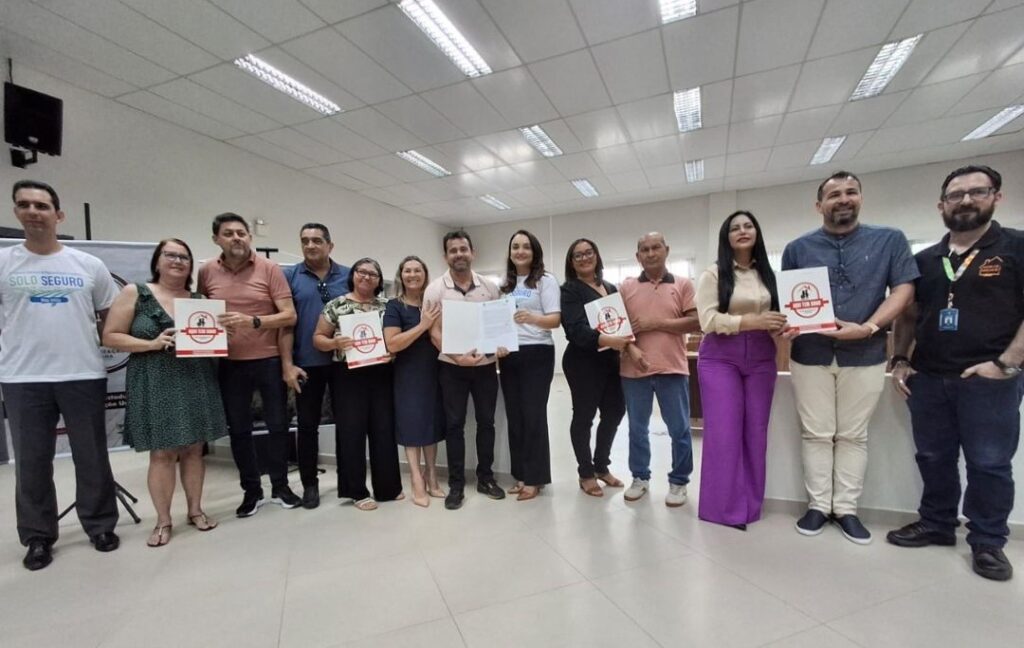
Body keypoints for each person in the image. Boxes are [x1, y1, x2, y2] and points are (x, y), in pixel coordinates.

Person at [888, 165, 1023, 581]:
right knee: (933, 456)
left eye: (976, 192)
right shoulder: (927, 259)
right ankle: (937, 523)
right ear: (942, 205)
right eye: (956, 195)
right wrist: (900, 359)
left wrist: (1007, 363)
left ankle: (987, 542)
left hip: (989, 379)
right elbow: (908, 314)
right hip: (929, 376)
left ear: (995, 197)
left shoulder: (1016, 247)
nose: (965, 200)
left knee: (989, 463)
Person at [781, 171, 918, 544]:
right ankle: (818, 507)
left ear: (861, 198)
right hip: (811, 354)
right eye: (834, 194)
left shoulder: (890, 241)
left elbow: (903, 291)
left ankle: (846, 509)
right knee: (816, 434)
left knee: (853, 435)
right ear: (819, 205)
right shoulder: (798, 248)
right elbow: (792, 300)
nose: (843, 199)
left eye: (850, 192)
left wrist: (870, 327)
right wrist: (792, 322)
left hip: (866, 352)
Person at [0, 180, 120, 570]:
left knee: (92, 456)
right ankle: (37, 537)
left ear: (58, 214)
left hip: (82, 372)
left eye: (42, 205)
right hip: (23, 377)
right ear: (16, 212)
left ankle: (100, 525)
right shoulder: (4, 264)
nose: (34, 211)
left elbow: (110, 317)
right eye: (25, 205)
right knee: (32, 462)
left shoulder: (88, 266)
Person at [102, 239, 226, 546]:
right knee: (162, 453)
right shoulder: (135, 293)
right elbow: (110, 336)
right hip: (154, 379)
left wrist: (222, 334)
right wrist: (151, 344)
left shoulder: (199, 300)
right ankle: (163, 519)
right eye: (170, 255)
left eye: (185, 257)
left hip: (196, 377)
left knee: (195, 450)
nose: (178, 261)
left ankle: (195, 511)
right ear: (157, 261)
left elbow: (210, 340)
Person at [198, 213, 300, 517]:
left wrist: (253, 321)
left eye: (241, 233)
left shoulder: (269, 269)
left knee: (278, 427)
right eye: (228, 233)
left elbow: (289, 316)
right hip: (229, 364)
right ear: (216, 238)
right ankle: (251, 491)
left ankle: (281, 486)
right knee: (239, 430)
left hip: (268, 361)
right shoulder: (206, 272)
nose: (236, 238)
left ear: (250, 238)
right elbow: (199, 312)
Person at [695, 211, 785, 530]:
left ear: (757, 233)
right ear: (727, 237)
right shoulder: (714, 274)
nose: (742, 231)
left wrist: (785, 327)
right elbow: (706, 321)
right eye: (735, 228)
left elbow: (778, 316)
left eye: (748, 226)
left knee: (755, 433)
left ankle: (749, 505)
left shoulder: (769, 275)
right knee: (723, 433)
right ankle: (722, 509)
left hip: (762, 356)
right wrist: (751, 321)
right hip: (721, 357)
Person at [424, 230, 508, 510]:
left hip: (485, 368)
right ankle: (456, 485)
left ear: (473, 252)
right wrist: (457, 357)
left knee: (487, 423)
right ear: (446, 256)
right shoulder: (435, 289)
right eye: (453, 250)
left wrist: (500, 346)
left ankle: (486, 478)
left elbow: (498, 326)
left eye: (463, 249)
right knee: (454, 426)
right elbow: (434, 333)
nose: (459, 254)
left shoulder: (489, 287)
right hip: (452, 368)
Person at [314, 257, 403, 511]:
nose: (366, 277)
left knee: (383, 430)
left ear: (378, 280)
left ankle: (388, 487)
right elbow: (318, 338)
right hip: (347, 374)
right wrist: (334, 343)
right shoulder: (336, 305)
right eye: (361, 272)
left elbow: (395, 340)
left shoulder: (388, 306)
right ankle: (356, 491)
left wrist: (393, 353)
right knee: (351, 432)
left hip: (381, 372)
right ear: (352, 275)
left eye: (373, 274)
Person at [618, 232, 699, 506]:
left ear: (667, 250)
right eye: (644, 249)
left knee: (679, 428)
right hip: (634, 369)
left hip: (673, 368)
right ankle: (640, 477)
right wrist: (631, 348)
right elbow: (616, 327)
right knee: (637, 429)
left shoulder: (683, 284)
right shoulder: (625, 287)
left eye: (656, 248)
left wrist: (655, 323)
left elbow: (695, 322)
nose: (651, 253)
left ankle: (679, 481)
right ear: (637, 256)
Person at [280, 223, 349, 509]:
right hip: (306, 364)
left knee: (348, 424)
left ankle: (350, 481)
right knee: (307, 426)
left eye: (317, 240)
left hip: (345, 363)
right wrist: (287, 365)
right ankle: (310, 484)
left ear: (330, 246)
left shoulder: (348, 275)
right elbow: (284, 325)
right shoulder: (289, 276)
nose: (311, 245)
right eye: (305, 241)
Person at [560, 238, 628, 497]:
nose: (584, 258)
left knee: (614, 411)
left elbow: (620, 324)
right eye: (578, 255)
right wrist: (612, 341)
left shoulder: (610, 287)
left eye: (589, 253)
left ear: (597, 256)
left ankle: (602, 466)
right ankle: (585, 473)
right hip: (582, 362)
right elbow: (576, 330)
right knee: (584, 416)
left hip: (610, 360)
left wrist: (624, 344)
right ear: (572, 262)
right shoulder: (569, 290)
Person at [499, 230, 560, 501]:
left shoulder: (545, 281)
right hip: (509, 353)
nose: (520, 251)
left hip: (538, 353)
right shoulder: (505, 285)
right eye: (515, 247)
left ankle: (535, 479)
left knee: (533, 415)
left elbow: (555, 320)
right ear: (510, 252)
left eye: (526, 247)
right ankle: (521, 475)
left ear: (534, 251)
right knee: (516, 416)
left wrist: (532, 317)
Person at [383, 256, 445, 507]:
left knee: (431, 426)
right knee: (412, 428)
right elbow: (393, 343)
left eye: (417, 270)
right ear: (401, 275)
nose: (412, 275)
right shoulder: (394, 306)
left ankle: (432, 476)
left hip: (435, 372)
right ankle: (416, 480)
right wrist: (423, 326)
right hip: (408, 375)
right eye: (407, 270)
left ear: (425, 274)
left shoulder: (434, 303)